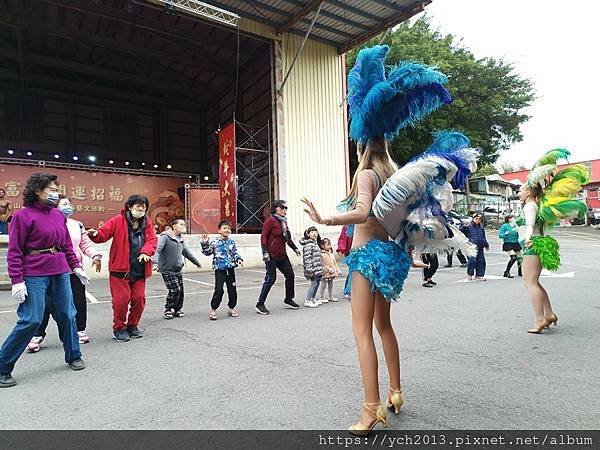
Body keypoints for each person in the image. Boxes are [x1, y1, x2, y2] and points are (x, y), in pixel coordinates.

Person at [303, 45, 472, 434]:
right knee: (384, 327)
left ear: (361, 140)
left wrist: (326, 217)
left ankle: (371, 408)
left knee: (362, 331)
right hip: (391, 257)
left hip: (366, 259)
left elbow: (363, 213)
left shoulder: (366, 175)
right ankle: (396, 392)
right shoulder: (394, 172)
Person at [0, 173, 89, 388]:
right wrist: (17, 280)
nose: (54, 192)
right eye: (50, 188)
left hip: (60, 271)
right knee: (31, 319)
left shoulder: (59, 215)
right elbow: (14, 251)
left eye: (55, 188)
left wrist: (76, 267)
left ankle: (73, 355)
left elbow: (67, 245)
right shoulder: (24, 216)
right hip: (34, 273)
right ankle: (3, 366)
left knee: (68, 314)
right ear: (37, 191)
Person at [519, 149, 589, 333]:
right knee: (536, 282)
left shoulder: (529, 205)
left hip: (532, 245)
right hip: (540, 243)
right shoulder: (538, 203)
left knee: (530, 283)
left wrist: (526, 239)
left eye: (520, 190)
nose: (518, 192)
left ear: (527, 192)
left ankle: (539, 319)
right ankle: (548, 314)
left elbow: (529, 225)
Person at [27, 195, 102, 352]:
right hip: (50, 271)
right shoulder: (46, 223)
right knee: (45, 305)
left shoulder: (77, 225)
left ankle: (79, 330)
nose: (68, 206)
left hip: (75, 271)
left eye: (69, 203)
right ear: (54, 207)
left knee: (78, 301)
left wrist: (95, 255)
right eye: (64, 204)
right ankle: (37, 334)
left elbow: (85, 244)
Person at [87, 194, 157, 342]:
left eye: (143, 207)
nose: (141, 209)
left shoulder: (147, 223)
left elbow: (152, 240)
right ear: (130, 207)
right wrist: (95, 234)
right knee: (121, 300)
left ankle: (133, 325)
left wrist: (145, 252)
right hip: (120, 269)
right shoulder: (118, 220)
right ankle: (119, 327)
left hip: (139, 268)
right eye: (138, 206)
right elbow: (103, 234)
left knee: (139, 298)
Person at [255, 200, 301, 315]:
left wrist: (295, 249)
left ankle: (289, 299)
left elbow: (287, 238)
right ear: (276, 208)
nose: (285, 210)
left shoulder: (283, 222)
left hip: (282, 255)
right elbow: (264, 237)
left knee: (290, 275)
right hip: (271, 255)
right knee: (271, 279)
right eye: (282, 207)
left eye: (286, 208)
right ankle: (260, 304)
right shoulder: (270, 221)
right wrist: (265, 252)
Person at [154, 218, 201, 320]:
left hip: (177, 269)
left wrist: (196, 262)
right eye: (181, 224)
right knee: (175, 289)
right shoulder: (165, 237)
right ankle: (169, 309)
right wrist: (154, 263)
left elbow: (186, 252)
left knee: (181, 291)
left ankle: (177, 309)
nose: (184, 226)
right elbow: (158, 250)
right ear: (174, 226)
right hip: (166, 269)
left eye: (184, 224)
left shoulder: (181, 239)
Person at [201, 220, 243, 320]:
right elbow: (207, 252)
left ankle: (231, 308)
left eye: (228, 228)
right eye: (224, 228)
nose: (227, 230)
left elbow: (234, 253)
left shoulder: (231, 242)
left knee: (232, 290)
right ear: (219, 230)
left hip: (230, 269)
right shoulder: (215, 242)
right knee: (219, 290)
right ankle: (213, 309)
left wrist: (239, 259)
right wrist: (205, 243)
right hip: (219, 270)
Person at [300, 226, 324, 308]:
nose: (314, 234)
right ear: (308, 234)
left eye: (316, 232)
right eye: (312, 232)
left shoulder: (315, 243)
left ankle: (312, 298)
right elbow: (307, 258)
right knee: (314, 283)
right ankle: (308, 300)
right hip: (312, 269)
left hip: (317, 268)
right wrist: (310, 270)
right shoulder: (308, 245)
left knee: (317, 283)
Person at [461, 214, 489, 281]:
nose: (478, 220)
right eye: (476, 218)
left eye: (479, 219)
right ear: (473, 219)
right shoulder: (468, 226)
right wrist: (463, 227)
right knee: (472, 260)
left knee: (481, 261)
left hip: (480, 246)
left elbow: (483, 236)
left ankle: (479, 275)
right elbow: (461, 233)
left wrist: (486, 244)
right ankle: (470, 274)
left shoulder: (481, 226)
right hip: (471, 246)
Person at [319, 238, 340, 303]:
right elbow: (322, 264)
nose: (329, 246)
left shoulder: (331, 254)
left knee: (331, 284)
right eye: (328, 245)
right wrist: (327, 268)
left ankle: (330, 296)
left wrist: (337, 269)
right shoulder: (321, 254)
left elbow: (334, 263)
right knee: (323, 285)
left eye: (330, 244)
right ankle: (321, 297)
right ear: (322, 246)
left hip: (332, 272)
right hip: (325, 272)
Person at [337, 225, 353, 300]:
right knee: (352, 271)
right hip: (351, 252)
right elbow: (343, 237)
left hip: (363, 251)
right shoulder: (348, 225)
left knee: (353, 272)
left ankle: (348, 289)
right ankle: (348, 291)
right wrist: (341, 249)